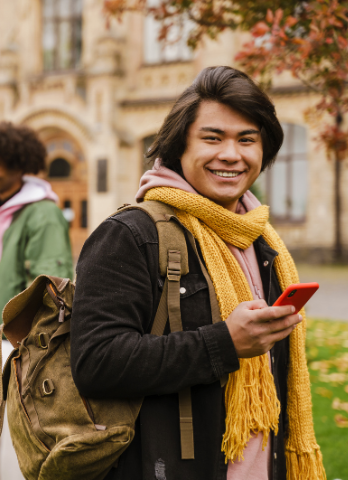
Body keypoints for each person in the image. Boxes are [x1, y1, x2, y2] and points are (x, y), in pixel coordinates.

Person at [71, 66, 325, 480]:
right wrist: (224, 343)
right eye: (212, 138)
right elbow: (95, 363)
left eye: (247, 140)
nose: (231, 154)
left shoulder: (263, 241)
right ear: (178, 147)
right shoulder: (131, 235)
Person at [0, 122, 74, 480]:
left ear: (19, 164)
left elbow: (51, 291)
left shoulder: (43, 215)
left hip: (16, 352)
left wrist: (27, 354)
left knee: (13, 452)